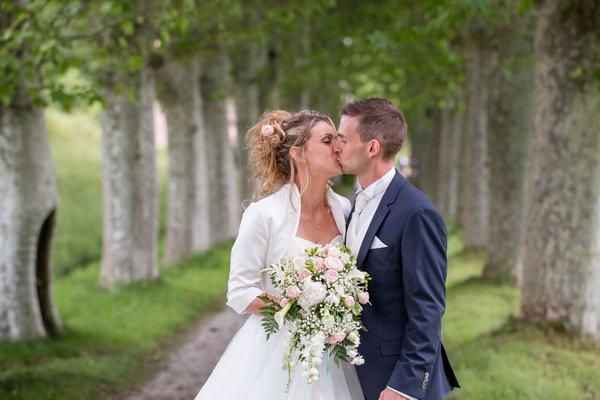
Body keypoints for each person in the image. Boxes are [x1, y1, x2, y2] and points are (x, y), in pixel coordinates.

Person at [194, 110, 364, 399]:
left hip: (332, 350)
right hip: (275, 351)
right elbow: (239, 291)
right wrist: (296, 309)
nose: (338, 146)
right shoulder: (264, 215)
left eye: (338, 139)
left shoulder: (345, 209)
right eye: (327, 140)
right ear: (299, 154)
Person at [333, 98, 460, 400]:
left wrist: (404, 387)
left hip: (394, 382)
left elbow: (427, 309)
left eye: (343, 138)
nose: (336, 146)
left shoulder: (416, 213)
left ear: (372, 147)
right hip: (355, 373)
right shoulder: (352, 206)